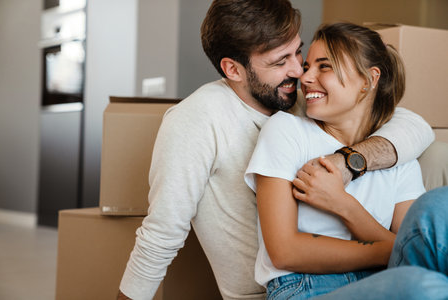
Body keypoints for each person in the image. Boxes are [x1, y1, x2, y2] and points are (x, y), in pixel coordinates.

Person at [118, 1, 435, 299]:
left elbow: (414, 126)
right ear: (234, 70)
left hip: (359, 273)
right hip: (283, 286)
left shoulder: (301, 101)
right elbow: (161, 235)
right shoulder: (197, 119)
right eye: (281, 61)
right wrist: (395, 250)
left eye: (298, 53)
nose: (299, 72)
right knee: (421, 283)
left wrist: (349, 162)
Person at [245, 22, 448, 300]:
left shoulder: (396, 155)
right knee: (419, 286)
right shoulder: (287, 131)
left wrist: (342, 204)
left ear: (368, 80)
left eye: (324, 66)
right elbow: (284, 250)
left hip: (388, 279)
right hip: (306, 288)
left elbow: (412, 249)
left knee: (440, 205)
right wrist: (386, 249)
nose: (305, 78)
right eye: (307, 67)